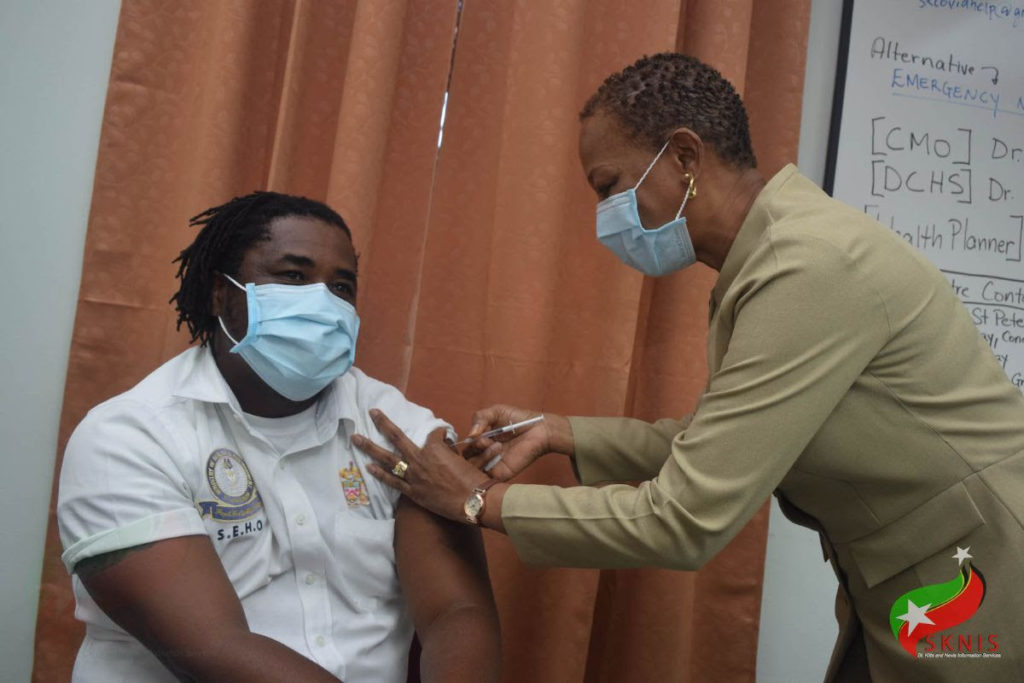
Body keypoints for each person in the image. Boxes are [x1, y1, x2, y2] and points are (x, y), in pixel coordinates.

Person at [352, 53, 1024, 682]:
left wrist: (477, 500)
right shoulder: (766, 260)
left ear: (683, 157)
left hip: (983, 574)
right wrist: (559, 432)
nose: (604, 218)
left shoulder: (808, 267)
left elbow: (683, 519)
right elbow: (717, 441)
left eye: (609, 186)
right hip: (910, 578)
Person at [57, 191, 501, 683]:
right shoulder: (128, 438)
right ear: (220, 294)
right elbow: (213, 648)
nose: (323, 301)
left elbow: (455, 613)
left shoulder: (396, 427)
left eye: (341, 286)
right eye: (293, 276)